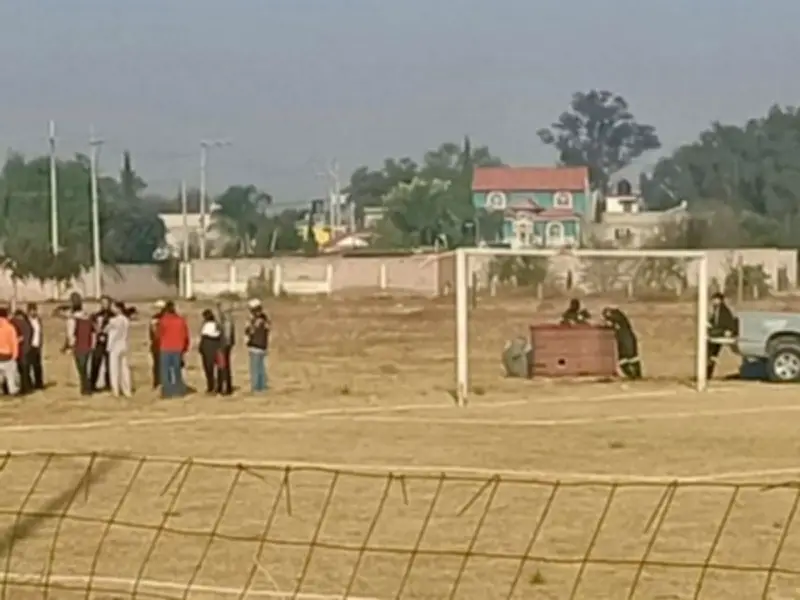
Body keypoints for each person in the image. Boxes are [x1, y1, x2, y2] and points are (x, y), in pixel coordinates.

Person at [157, 300, 190, 398]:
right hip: (178, 348)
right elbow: (185, 335)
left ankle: (167, 392)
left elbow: (159, 335)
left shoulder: (163, 321)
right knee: (177, 370)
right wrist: (185, 348)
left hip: (166, 347)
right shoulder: (181, 320)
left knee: (165, 371)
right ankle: (178, 391)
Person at [64, 296, 94, 395]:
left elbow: (70, 334)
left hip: (79, 345)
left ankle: (86, 387)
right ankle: (86, 387)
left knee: (82, 368)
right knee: (84, 367)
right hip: (87, 344)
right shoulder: (86, 316)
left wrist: (69, 345)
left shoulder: (73, 318)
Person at [602, 306, 642, 380]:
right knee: (629, 360)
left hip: (626, 340)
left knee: (629, 360)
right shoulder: (619, 319)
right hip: (625, 340)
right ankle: (635, 375)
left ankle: (635, 376)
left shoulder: (617, 318)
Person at [707, 292, 738, 379]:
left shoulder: (724, 310)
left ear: (719, 300)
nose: (713, 301)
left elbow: (727, 323)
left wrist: (730, 330)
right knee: (711, 353)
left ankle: (708, 371)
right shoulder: (716, 310)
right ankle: (708, 372)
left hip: (722, 332)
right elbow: (713, 322)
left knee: (711, 352)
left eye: (715, 299)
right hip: (718, 332)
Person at [105, 301, 132, 398]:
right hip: (123, 345)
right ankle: (127, 389)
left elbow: (105, 330)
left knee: (114, 369)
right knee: (124, 368)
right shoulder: (125, 320)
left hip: (114, 346)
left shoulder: (114, 321)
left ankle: (115, 390)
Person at [245, 298, 270, 392]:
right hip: (263, 345)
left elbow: (250, 331)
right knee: (261, 368)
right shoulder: (265, 318)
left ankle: (256, 387)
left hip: (255, 345)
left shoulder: (255, 320)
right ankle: (262, 386)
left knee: (255, 368)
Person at [90, 295, 114, 392]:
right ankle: (92, 383)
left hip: (110, 342)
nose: (104, 305)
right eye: (103, 303)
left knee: (109, 364)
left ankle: (109, 384)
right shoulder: (96, 315)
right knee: (96, 362)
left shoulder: (113, 316)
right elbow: (92, 327)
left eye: (106, 303)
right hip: (99, 342)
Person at [198, 309, 222, 394]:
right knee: (218, 368)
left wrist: (200, 348)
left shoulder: (206, 326)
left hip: (208, 347)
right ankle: (218, 386)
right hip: (216, 346)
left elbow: (203, 338)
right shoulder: (217, 325)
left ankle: (211, 387)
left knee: (209, 369)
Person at [11, 309, 32, 395]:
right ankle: (27, 386)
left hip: (19, 350)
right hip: (26, 349)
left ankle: (24, 387)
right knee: (25, 370)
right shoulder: (27, 324)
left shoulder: (14, 323)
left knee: (19, 370)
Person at [0, 307, 20, 396]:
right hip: (8, 356)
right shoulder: (10, 328)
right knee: (10, 377)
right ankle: (12, 391)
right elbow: (14, 342)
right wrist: (15, 355)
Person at [217, 302, 235, 395]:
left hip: (223, 346)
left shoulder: (226, 321)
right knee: (224, 367)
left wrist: (223, 346)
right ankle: (226, 386)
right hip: (225, 346)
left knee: (223, 367)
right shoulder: (227, 320)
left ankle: (225, 387)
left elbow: (227, 336)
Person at [27, 303, 44, 390]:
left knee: (38, 366)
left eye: (35, 310)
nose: (33, 312)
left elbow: (41, 333)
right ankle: (29, 383)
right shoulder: (27, 321)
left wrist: (41, 344)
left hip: (37, 345)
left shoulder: (38, 320)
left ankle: (39, 384)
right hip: (30, 346)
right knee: (29, 365)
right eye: (32, 310)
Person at [149, 300, 166, 389]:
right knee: (157, 365)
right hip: (156, 344)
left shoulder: (164, 318)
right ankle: (157, 382)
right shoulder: (154, 318)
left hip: (163, 344)